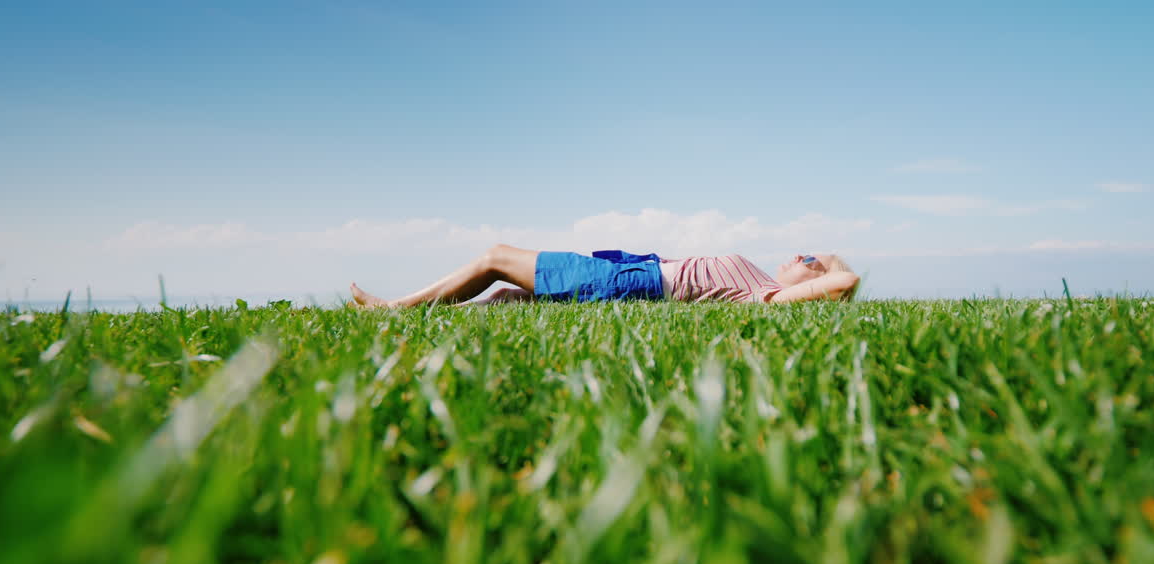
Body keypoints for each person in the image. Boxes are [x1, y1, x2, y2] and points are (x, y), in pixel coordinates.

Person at [349, 245, 859, 308]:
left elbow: (844, 284)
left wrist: (834, 274)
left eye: (811, 258)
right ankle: (434, 316)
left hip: (629, 283)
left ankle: (394, 311)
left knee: (496, 259)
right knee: (506, 296)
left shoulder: (766, 296)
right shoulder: (757, 279)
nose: (800, 255)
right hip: (630, 271)